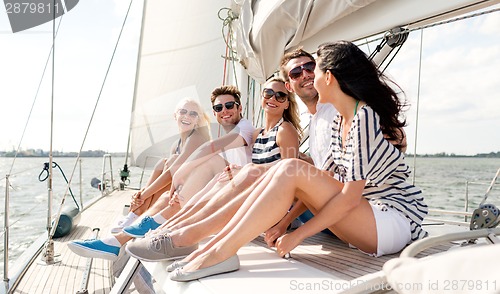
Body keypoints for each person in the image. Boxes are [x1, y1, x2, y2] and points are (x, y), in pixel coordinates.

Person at [168, 41, 428, 282]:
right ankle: (215, 248)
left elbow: (348, 197)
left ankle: (218, 253)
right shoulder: (340, 122)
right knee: (287, 167)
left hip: (389, 218)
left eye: (313, 70)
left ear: (328, 77)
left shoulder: (364, 117)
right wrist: (284, 225)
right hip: (364, 217)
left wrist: (296, 235)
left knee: (289, 167)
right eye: (298, 73)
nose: (309, 78)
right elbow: (327, 180)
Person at [123, 77, 302, 262]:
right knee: (221, 179)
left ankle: (175, 234)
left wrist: (284, 223)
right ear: (262, 97)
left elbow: (291, 175)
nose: (273, 98)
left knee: (221, 172)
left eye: (280, 95)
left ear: (287, 103)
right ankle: (168, 229)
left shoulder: (284, 130)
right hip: (254, 196)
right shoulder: (259, 134)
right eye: (268, 93)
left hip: (272, 207)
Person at [68, 85, 255, 260]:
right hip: (227, 191)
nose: (224, 110)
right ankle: (119, 240)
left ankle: (141, 228)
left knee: (203, 164)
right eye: (219, 107)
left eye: (229, 105)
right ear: (214, 113)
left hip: (240, 197)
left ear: (239, 108)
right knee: (167, 195)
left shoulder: (244, 128)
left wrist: (181, 175)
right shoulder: (226, 134)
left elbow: (209, 149)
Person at [110, 98, 211, 234]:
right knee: (163, 162)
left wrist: (143, 194)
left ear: (198, 119)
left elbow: (172, 173)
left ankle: (136, 214)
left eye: (193, 114)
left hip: (194, 193)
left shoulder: (197, 138)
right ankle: (137, 214)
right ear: (175, 115)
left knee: (171, 161)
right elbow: (168, 172)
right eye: (183, 111)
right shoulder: (176, 145)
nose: (187, 116)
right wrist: (142, 193)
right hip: (178, 188)